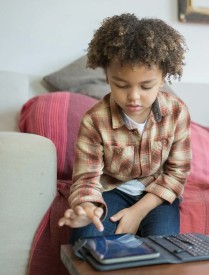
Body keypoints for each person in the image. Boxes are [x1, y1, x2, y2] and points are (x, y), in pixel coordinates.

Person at [58, 13, 191, 244]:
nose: (134, 97)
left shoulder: (176, 111)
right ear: (107, 77)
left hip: (155, 193)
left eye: (146, 86)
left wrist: (138, 212)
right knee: (87, 241)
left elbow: (176, 173)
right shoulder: (94, 120)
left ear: (162, 79)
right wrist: (86, 207)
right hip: (111, 190)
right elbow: (86, 178)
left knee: (166, 248)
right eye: (121, 84)